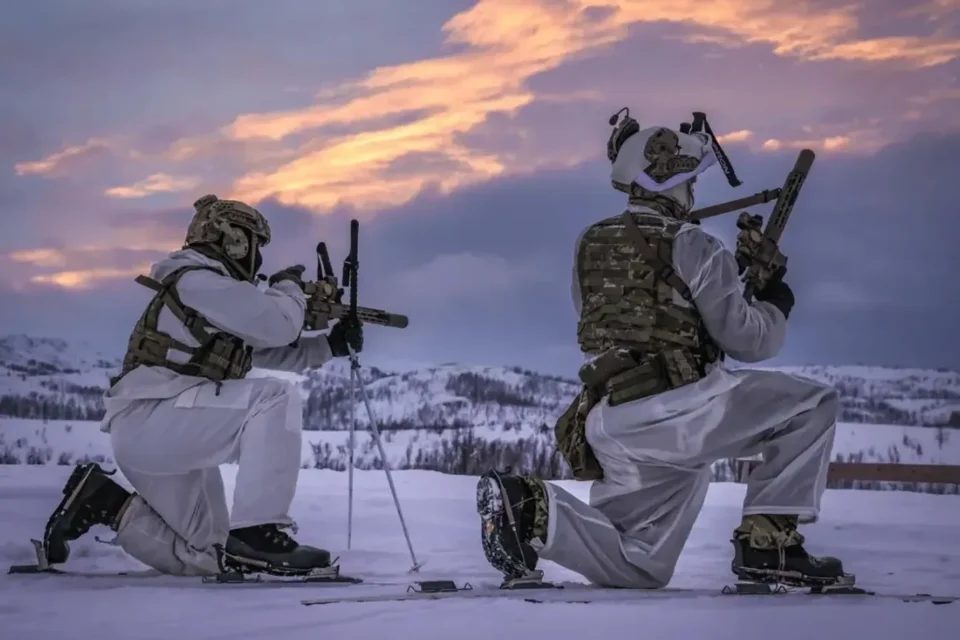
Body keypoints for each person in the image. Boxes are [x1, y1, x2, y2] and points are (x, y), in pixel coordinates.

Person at [476, 112, 847, 590]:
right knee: (812, 405)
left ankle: (530, 508)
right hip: (682, 413)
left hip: (614, 420)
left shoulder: (590, 242)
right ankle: (768, 544)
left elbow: (631, 316)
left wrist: (729, 286)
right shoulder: (694, 243)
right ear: (676, 179)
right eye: (691, 182)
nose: (693, 194)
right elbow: (749, 341)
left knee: (640, 566)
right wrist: (775, 300)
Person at [39, 194, 363, 577]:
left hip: (166, 429)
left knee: (209, 555)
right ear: (233, 239)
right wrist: (289, 288)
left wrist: (329, 346)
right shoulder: (197, 280)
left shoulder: (215, 294)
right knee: (273, 398)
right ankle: (259, 531)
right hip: (155, 416)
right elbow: (278, 325)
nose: (257, 258)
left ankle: (104, 503)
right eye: (255, 245)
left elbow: (266, 348)